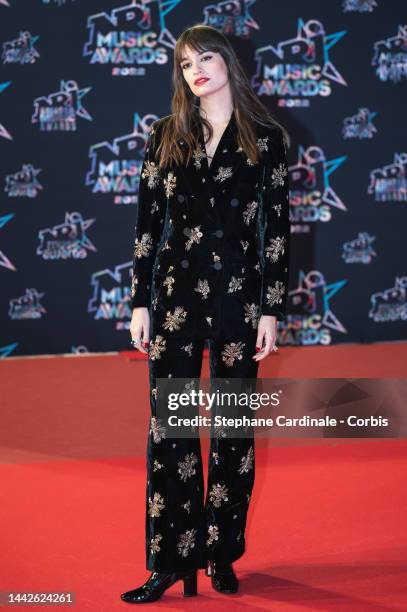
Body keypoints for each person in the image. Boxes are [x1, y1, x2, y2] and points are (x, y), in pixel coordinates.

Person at [121, 23, 290, 604]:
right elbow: (147, 225)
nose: (197, 69)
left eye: (207, 57)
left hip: (240, 301)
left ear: (228, 64)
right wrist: (140, 300)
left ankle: (219, 553)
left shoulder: (266, 138)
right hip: (173, 300)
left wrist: (271, 309)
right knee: (169, 427)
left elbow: (276, 232)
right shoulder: (165, 135)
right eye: (186, 62)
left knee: (233, 429)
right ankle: (169, 561)